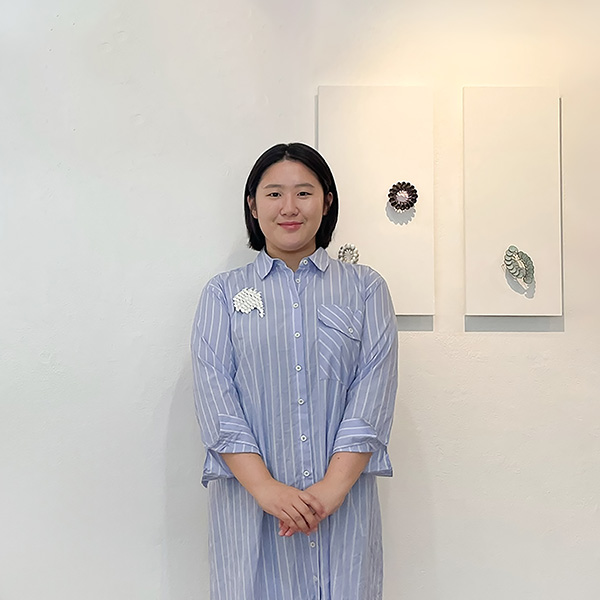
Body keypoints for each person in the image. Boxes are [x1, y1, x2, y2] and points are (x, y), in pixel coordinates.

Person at [191, 142, 398, 600]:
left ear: (327, 201)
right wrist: (266, 489)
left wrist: (329, 492)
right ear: (253, 205)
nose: (289, 207)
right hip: (251, 507)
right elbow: (216, 402)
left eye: (304, 193)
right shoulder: (222, 294)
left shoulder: (365, 288)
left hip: (342, 508)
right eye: (274, 194)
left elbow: (373, 394)